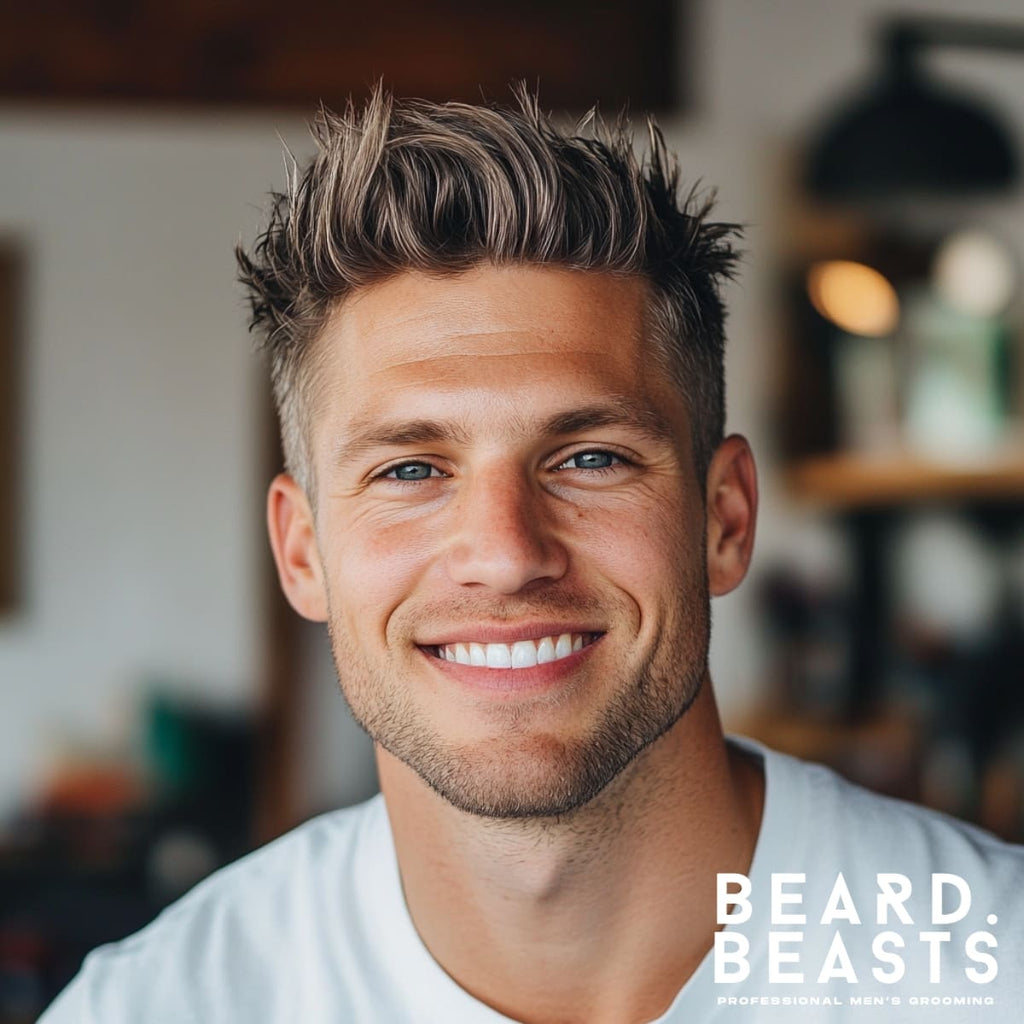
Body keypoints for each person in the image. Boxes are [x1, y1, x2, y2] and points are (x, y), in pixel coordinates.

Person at [41, 88, 1023, 1024]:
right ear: (302, 554)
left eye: (590, 457)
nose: (505, 554)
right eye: (410, 470)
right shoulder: (160, 1004)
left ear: (723, 518)